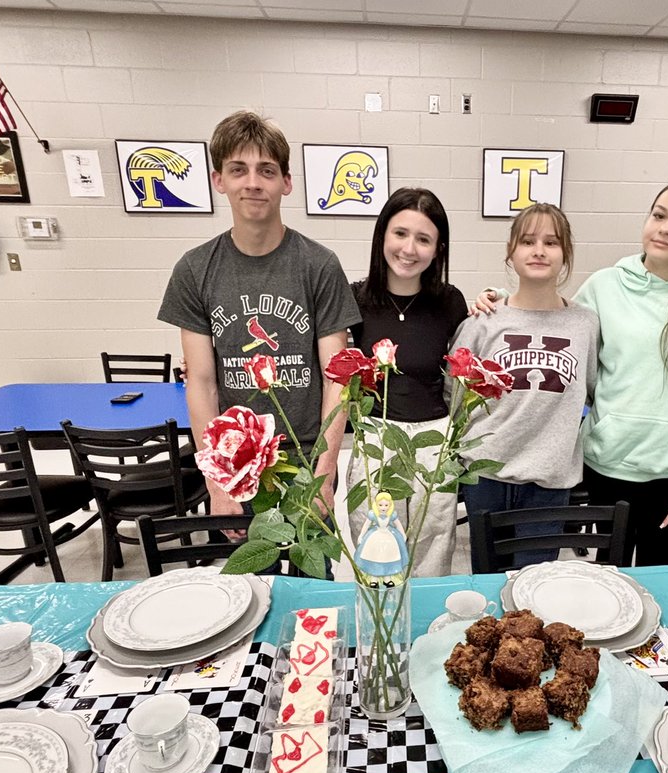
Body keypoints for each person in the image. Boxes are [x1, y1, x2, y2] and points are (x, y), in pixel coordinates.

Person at [476, 179, 668, 565]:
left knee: (658, 594)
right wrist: (498, 303)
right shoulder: (604, 286)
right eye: (659, 215)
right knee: (607, 592)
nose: (666, 229)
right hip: (606, 469)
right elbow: (554, 321)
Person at [159, 111, 360, 531]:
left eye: (266, 171)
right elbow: (201, 382)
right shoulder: (194, 270)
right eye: (238, 169)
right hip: (239, 466)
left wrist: (324, 476)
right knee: (254, 586)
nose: (252, 182)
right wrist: (217, 481)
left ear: (286, 182)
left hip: (306, 460)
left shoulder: (319, 265)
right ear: (219, 181)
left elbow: (336, 379)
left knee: (312, 588)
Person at [452, 202, 598, 570]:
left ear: (565, 255)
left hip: (550, 479)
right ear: (511, 253)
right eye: (527, 241)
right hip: (486, 473)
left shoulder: (585, 324)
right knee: (488, 580)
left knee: (535, 584)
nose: (538, 250)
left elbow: (593, 389)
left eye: (551, 242)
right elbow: (454, 395)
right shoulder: (484, 321)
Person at [347, 187, 467, 578]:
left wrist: (497, 298)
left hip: (435, 437)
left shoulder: (450, 302)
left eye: (424, 239)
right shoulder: (355, 300)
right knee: (377, 546)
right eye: (400, 233)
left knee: (432, 545)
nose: (409, 248)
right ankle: (382, 631)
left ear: (438, 249)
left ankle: (423, 632)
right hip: (377, 436)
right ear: (382, 234)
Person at [353, 491, 409, 585]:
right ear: (376, 504)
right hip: (375, 537)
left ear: (390, 505)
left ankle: (387, 578)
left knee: (388, 557)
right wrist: (361, 535)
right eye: (381, 505)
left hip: (389, 538)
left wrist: (403, 535)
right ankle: (374, 579)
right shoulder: (373, 514)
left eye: (386, 505)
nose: (383, 507)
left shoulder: (392, 515)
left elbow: (398, 525)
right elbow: (366, 525)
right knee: (374, 557)